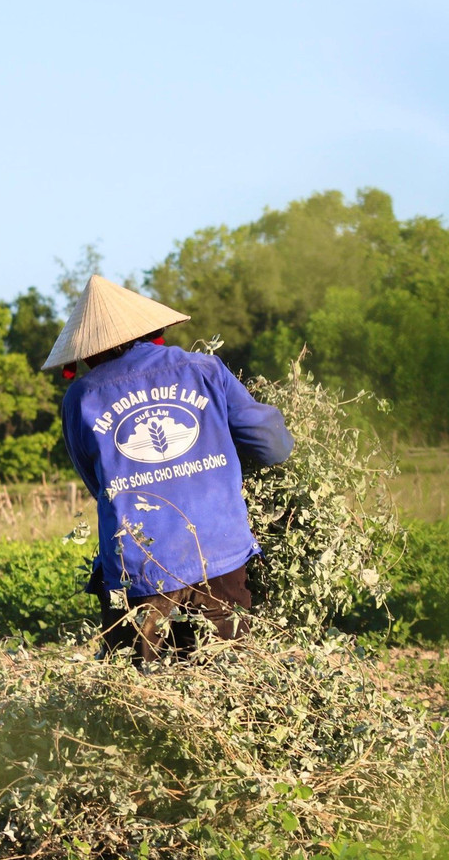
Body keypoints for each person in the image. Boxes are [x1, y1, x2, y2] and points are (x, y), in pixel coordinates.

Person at [43, 275, 294, 662]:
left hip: (140, 569)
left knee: (140, 699)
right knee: (228, 683)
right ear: (152, 330)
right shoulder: (206, 371)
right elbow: (274, 446)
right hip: (220, 554)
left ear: (87, 353)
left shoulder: (82, 397)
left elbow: (100, 485)